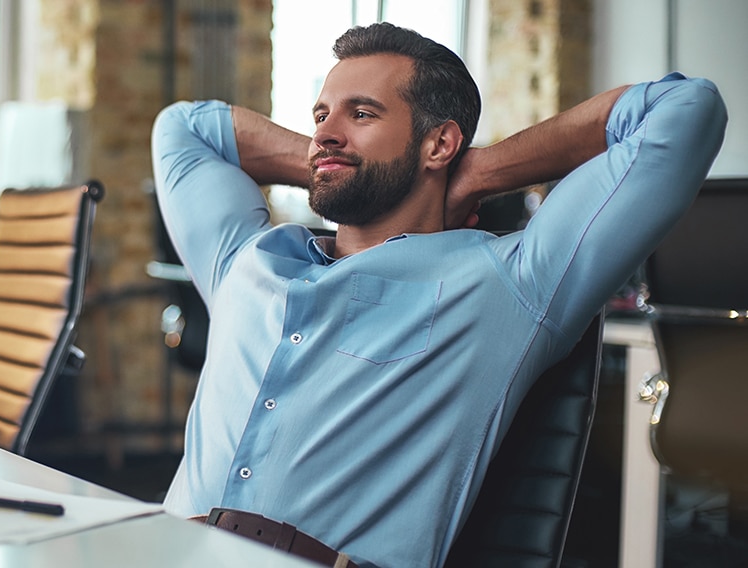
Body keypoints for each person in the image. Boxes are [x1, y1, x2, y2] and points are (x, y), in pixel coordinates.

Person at [150, 22, 726, 568]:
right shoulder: (245, 262)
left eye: (363, 112)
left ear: (440, 143)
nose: (324, 131)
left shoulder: (509, 282)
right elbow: (183, 128)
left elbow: (685, 112)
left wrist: (481, 170)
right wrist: (336, 160)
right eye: (322, 114)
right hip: (158, 548)